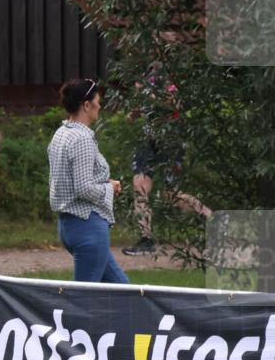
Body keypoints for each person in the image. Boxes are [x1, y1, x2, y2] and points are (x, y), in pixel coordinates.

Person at [122, 68, 212, 256]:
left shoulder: (167, 75)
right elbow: (140, 110)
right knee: (139, 186)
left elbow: (173, 103)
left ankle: (212, 218)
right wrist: (134, 113)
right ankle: (146, 240)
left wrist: (148, 94)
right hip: (149, 142)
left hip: (170, 141)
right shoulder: (145, 75)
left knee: (172, 196)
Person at [48, 78, 129, 284]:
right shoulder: (82, 139)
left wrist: (103, 182)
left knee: (125, 291)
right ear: (86, 105)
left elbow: (74, 176)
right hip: (88, 227)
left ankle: (141, 316)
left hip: (69, 226)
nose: (100, 106)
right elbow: (83, 188)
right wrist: (109, 187)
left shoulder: (62, 133)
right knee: (84, 300)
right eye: (97, 101)